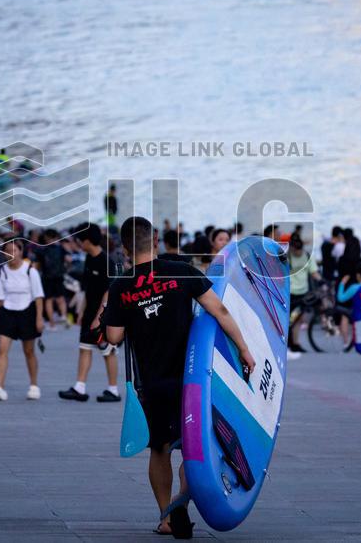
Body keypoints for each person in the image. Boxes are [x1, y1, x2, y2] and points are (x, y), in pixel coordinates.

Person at [103, 217, 255, 539]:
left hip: (152, 383)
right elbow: (220, 311)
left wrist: (116, 313)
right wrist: (244, 349)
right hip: (191, 379)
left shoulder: (121, 286)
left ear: (125, 249)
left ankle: (165, 517)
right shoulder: (179, 270)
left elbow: (114, 337)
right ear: (155, 240)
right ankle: (181, 501)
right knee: (194, 447)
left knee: (159, 449)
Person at [59, 224, 120, 402]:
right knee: (84, 348)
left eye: (80, 240)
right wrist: (82, 312)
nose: (78, 243)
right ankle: (80, 387)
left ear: (87, 241)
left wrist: (98, 318)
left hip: (104, 316)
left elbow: (109, 292)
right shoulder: (89, 259)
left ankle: (113, 390)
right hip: (89, 314)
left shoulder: (106, 261)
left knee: (108, 350)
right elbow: (87, 290)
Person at [0, 238, 44, 401]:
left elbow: (38, 296)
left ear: (20, 251)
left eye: (14, 250)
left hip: (27, 311)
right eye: (7, 251)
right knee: (2, 349)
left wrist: (39, 318)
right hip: (7, 312)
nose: (11, 254)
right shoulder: (1, 271)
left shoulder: (30, 271)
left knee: (29, 351)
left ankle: (34, 385)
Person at [287, 233, 320, 356]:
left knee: (298, 319)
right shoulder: (287, 257)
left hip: (302, 293)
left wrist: (321, 280)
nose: (298, 253)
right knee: (289, 320)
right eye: (296, 250)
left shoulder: (307, 256)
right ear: (291, 247)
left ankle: (295, 343)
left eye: (300, 250)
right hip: (289, 294)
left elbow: (314, 272)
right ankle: (289, 343)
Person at [37, 229, 69, 328]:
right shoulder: (60, 248)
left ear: (46, 238)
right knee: (61, 298)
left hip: (47, 277)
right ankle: (63, 316)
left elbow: (38, 264)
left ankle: (52, 323)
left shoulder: (42, 249)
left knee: (49, 300)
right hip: (59, 276)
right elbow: (68, 260)